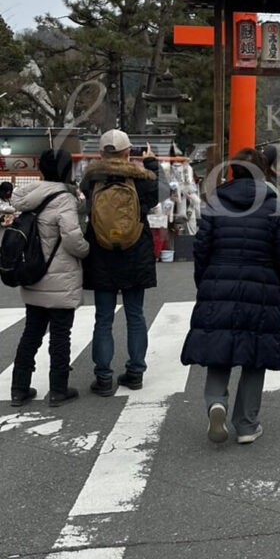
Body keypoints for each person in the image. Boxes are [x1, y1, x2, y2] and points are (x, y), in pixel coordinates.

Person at [181, 147, 280, 442]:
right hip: (262, 282)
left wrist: (204, 281)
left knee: (219, 348)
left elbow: (201, 247)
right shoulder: (273, 204)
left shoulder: (217, 202)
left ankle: (216, 402)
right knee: (256, 355)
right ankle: (246, 424)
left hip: (219, 280)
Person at [80, 130, 162, 396]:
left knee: (103, 318)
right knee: (135, 315)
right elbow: (157, 196)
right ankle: (135, 372)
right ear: (128, 152)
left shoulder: (91, 179)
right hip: (134, 251)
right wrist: (151, 163)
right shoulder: (142, 179)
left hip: (101, 252)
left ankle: (103, 377)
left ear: (101, 153)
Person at [10, 149, 90, 406]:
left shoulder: (29, 195)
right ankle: (58, 389)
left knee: (31, 333)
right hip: (60, 279)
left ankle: (19, 388)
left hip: (33, 275)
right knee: (60, 335)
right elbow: (72, 239)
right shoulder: (63, 198)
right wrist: (86, 250)